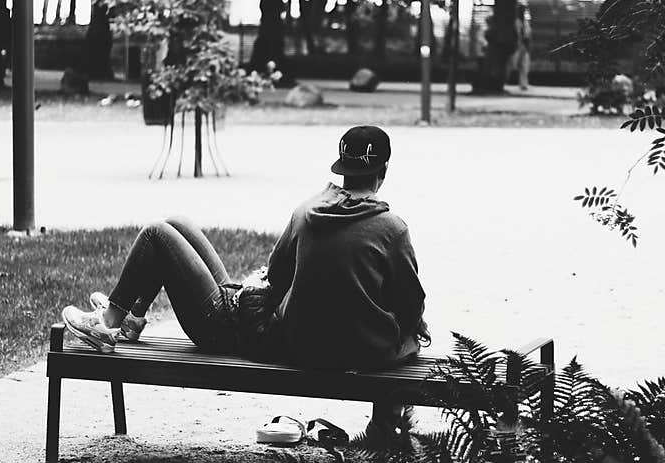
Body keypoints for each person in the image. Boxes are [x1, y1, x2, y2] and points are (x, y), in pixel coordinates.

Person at [61, 125, 428, 441]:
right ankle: (131, 319)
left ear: (342, 169)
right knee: (178, 221)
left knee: (159, 233)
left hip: (242, 329)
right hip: (325, 341)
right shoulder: (393, 229)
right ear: (382, 172)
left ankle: (108, 324)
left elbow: (276, 275)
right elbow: (411, 305)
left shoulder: (308, 212)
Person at [509, 1, 532, 91]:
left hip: (524, 45)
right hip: (519, 45)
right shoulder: (517, 22)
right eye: (522, 10)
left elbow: (528, 34)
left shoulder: (525, 22)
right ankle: (521, 83)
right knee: (519, 64)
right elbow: (519, 34)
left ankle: (523, 83)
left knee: (524, 64)